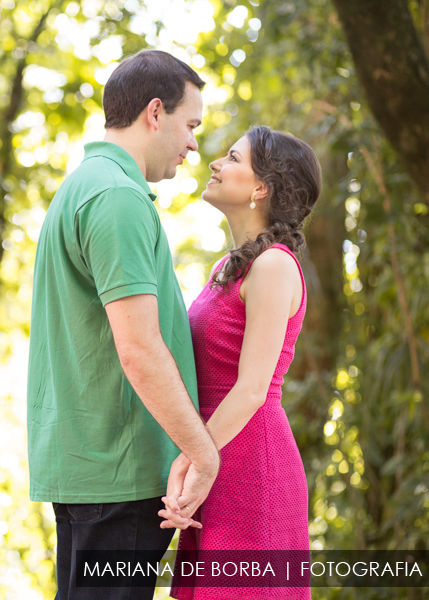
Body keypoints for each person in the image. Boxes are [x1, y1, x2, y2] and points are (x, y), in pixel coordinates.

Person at [27, 49, 221, 600]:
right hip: (121, 470)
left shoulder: (89, 185)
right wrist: (203, 453)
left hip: (98, 468)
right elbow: (137, 348)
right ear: (155, 113)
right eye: (190, 125)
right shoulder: (117, 198)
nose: (192, 144)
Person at [163, 126, 321, 600]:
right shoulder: (226, 266)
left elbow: (252, 389)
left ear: (260, 188)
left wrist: (192, 457)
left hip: (252, 463)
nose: (214, 163)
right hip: (216, 453)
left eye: (232, 158)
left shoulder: (274, 265)